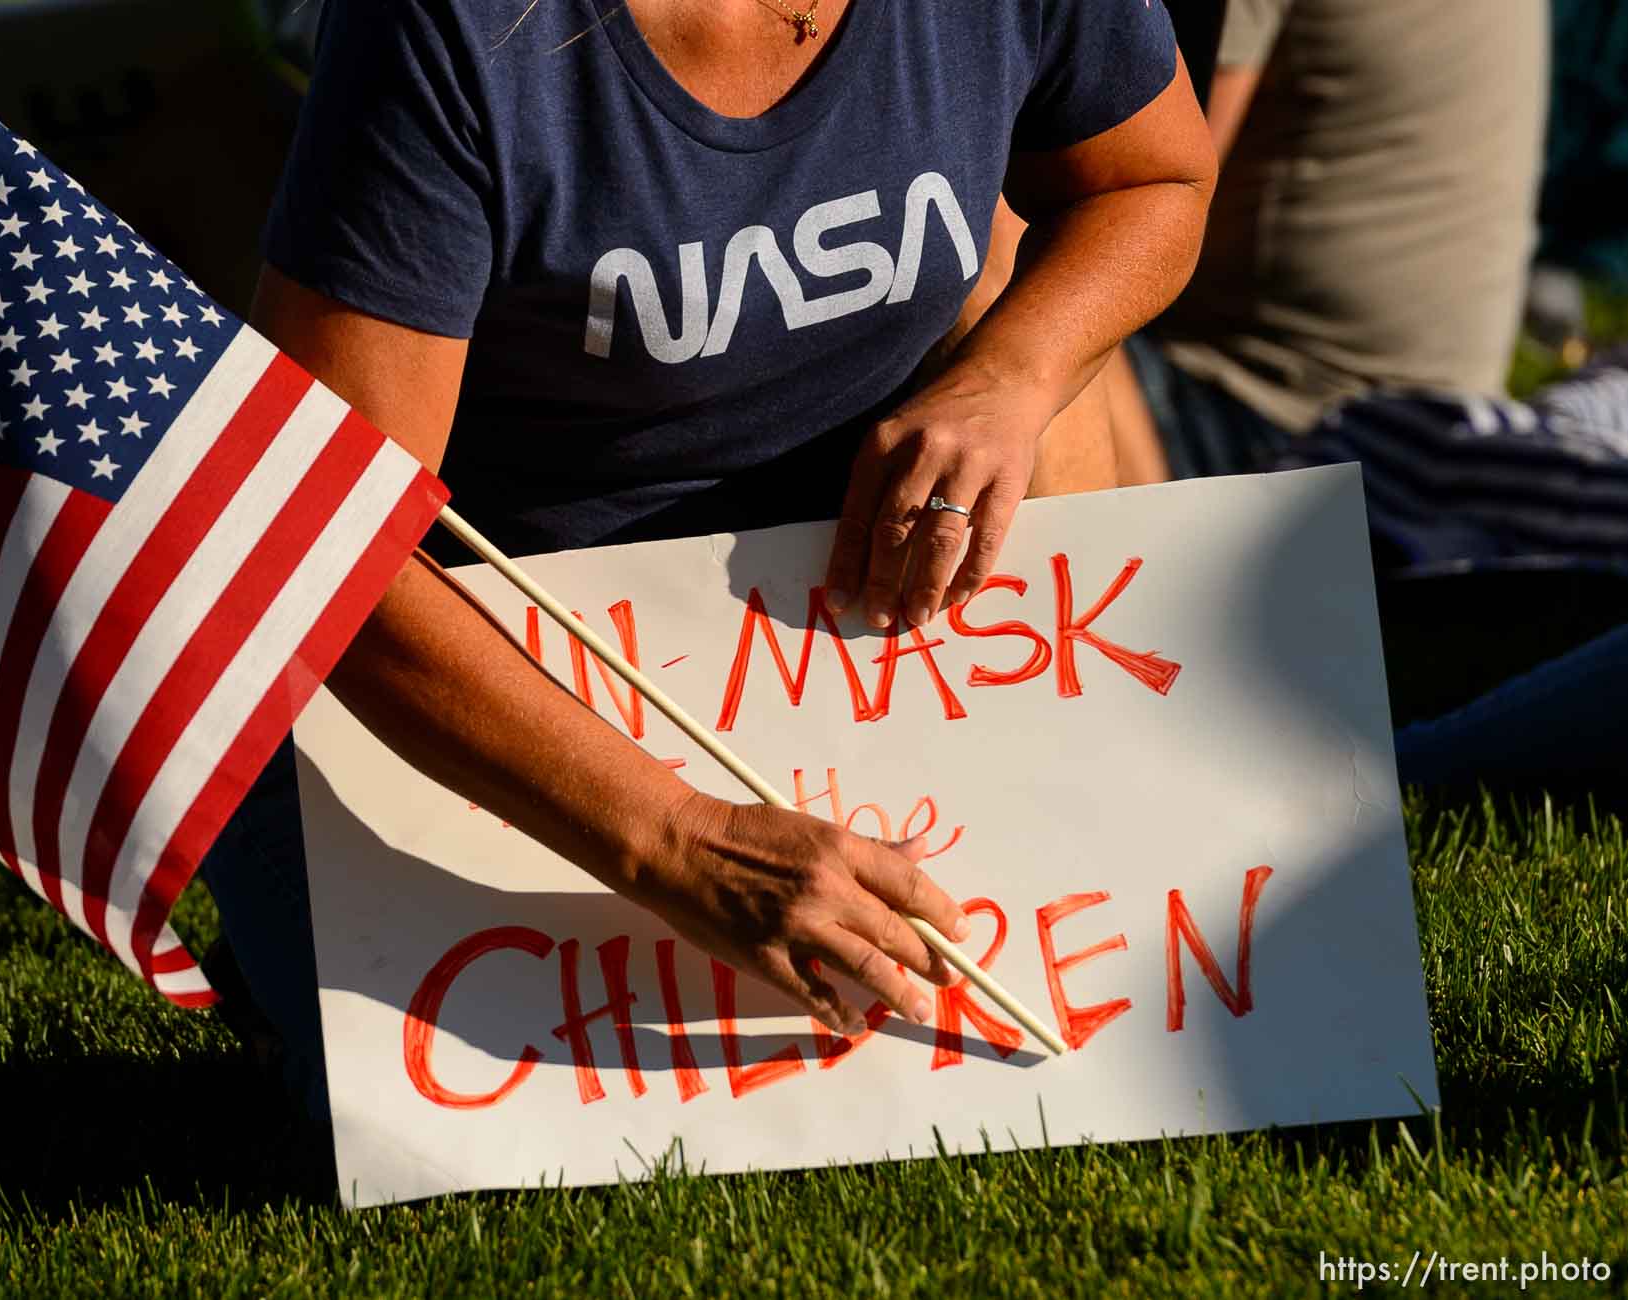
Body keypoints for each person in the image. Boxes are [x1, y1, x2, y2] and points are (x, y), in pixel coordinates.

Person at [200, 0, 1217, 1116]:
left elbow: (1152, 178)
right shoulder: (444, 30)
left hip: (861, 653)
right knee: (384, 1109)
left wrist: (1014, 372)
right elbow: (328, 543)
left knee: (1050, 361)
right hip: (487, 702)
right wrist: (681, 844)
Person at [1105, 0, 1551, 483]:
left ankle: (1144, 534)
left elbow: (1138, 193)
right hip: (1448, 427)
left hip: (1275, 421)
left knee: (1022, 254)